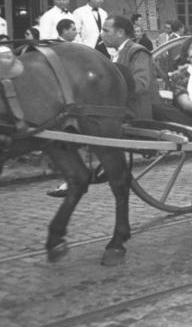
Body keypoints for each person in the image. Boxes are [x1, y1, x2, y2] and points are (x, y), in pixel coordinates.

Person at [48, 15, 158, 197]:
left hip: (134, 110)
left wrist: (107, 91)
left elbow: (141, 84)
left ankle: (77, 177)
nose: (101, 34)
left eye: (106, 30)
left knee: (81, 123)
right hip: (116, 108)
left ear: (121, 33)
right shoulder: (116, 53)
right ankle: (77, 175)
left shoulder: (137, 52)